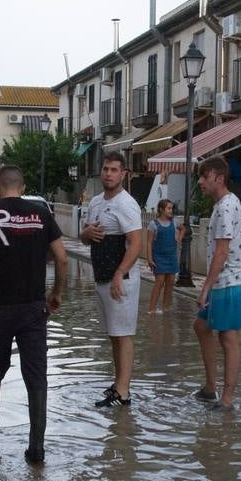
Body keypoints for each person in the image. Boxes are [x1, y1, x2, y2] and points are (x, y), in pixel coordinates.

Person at [0, 166, 69, 463]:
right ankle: (36, 446)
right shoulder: (41, 215)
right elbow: (62, 259)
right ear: (22, 187)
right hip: (34, 308)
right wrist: (57, 293)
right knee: (36, 376)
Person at [80, 151, 142, 408]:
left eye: (114, 170)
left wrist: (119, 274)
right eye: (106, 169)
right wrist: (86, 234)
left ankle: (124, 392)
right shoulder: (95, 202)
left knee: (124, 334)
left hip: (121, 279)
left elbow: (137, 243)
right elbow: (84, 237)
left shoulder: (126, 204)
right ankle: (118, 384)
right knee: (114, 334)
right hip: (102, 276)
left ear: (123, 174)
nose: (108, 174)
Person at [193, 156, 241, 410]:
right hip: (222, 281)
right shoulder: (222, 205)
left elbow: (222, 252)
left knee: (228, 336)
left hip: (229, 280)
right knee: (201, 326)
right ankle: (210, 388)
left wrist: (205, 288)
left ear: (219, 178)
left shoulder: (226, 207)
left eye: (204, 176)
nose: (200, 182)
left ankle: (227, 398)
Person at [145, 199, 179, 315]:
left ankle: (166, 308)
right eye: (169, 208)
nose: (171, 210)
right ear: (161, 209)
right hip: (159, 258)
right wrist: (150, 259)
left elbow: (183, 228)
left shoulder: (174, 222)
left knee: (170, 283)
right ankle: (151, 309)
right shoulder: (153, 224)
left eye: (172, 208)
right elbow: (149, 243)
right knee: (159, 282)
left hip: (172, 257)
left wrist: (178, 238)